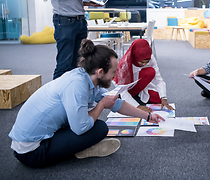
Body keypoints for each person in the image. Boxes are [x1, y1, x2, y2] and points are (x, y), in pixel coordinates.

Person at [8, 39, 164, 168]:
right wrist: (101, 105)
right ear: (100, 72)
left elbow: (116, 103)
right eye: (114, 72)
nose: (115, 76)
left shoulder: (86, 78)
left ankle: (77, 147)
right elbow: (81, 127)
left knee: (94, 124)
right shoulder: (77, 86)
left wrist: (148, 116)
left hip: (36, 138)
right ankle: (79, 150)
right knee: (99, 128)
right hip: (32, 152)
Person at [114, 39, 174, 113]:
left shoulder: (151, 58)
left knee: (159, 99)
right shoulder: (124, 64)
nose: (144, 64)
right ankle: (132, 99)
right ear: (135, 56)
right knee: (150, 72)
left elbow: (158, 79)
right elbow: (122, 90)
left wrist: (164, 98)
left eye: (147, 62)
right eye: (141, 62)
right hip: (125, 89)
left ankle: (136, 97)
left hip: (139, 85)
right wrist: (138, 107)